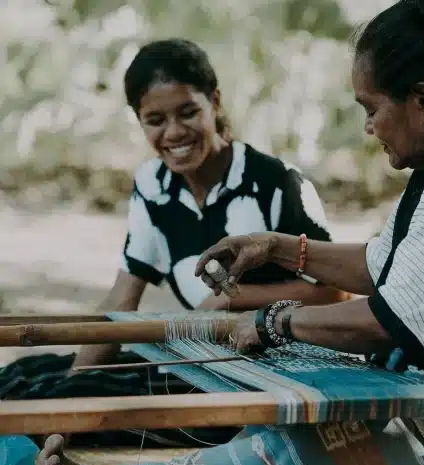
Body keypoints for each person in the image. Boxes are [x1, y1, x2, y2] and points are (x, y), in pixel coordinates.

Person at [34, 0, 424, 465]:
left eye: (371, 109)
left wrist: (269, 322)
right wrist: (277, 248)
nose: (368, 128)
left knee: (311, 441)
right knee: (291, 424)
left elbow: (385, 322)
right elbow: (379, 265)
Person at [70, 38, 347, 373]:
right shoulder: (153, 186)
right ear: (138, 120)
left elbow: (335, 296)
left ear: (214, 102)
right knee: (29, 382)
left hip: (279, 365)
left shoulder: (276, 183)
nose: (174, 132)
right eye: (155, 120)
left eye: (188, 113)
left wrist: (232, 297)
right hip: (205, 358)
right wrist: (71, 388)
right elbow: (122, 299)